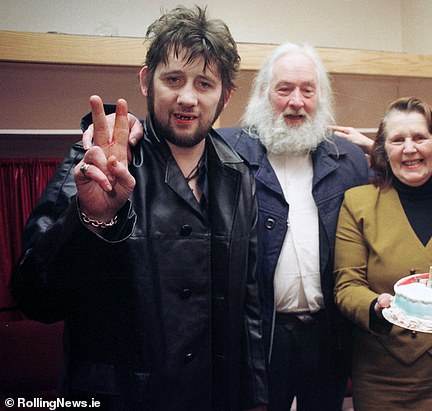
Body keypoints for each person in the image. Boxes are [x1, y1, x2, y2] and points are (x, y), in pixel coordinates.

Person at [11, 6, 267, 411]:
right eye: (173, 79)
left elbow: (248, 303)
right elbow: (35, 298)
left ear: (225, 96)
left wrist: (255, 398)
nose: (187, 97)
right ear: (147, 81)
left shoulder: (239, 176)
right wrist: (90, 219)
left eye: (205, 83)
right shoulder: (95, 159)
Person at [221, 42, 370, 411]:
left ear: (321, 97)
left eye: (308, 90)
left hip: (327, 337)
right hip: (258, 339)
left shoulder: (349, 159)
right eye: (284, 89)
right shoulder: (224, 152)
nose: (296, 101)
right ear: (262, 94)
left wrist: (381, 147)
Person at [334, 97, 432, 410]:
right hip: (382, 375)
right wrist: (375, 306)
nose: (409, 148)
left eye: (419, 137)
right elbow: (346, 286)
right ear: (382, 150)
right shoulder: (358, 203)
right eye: (397, 140)